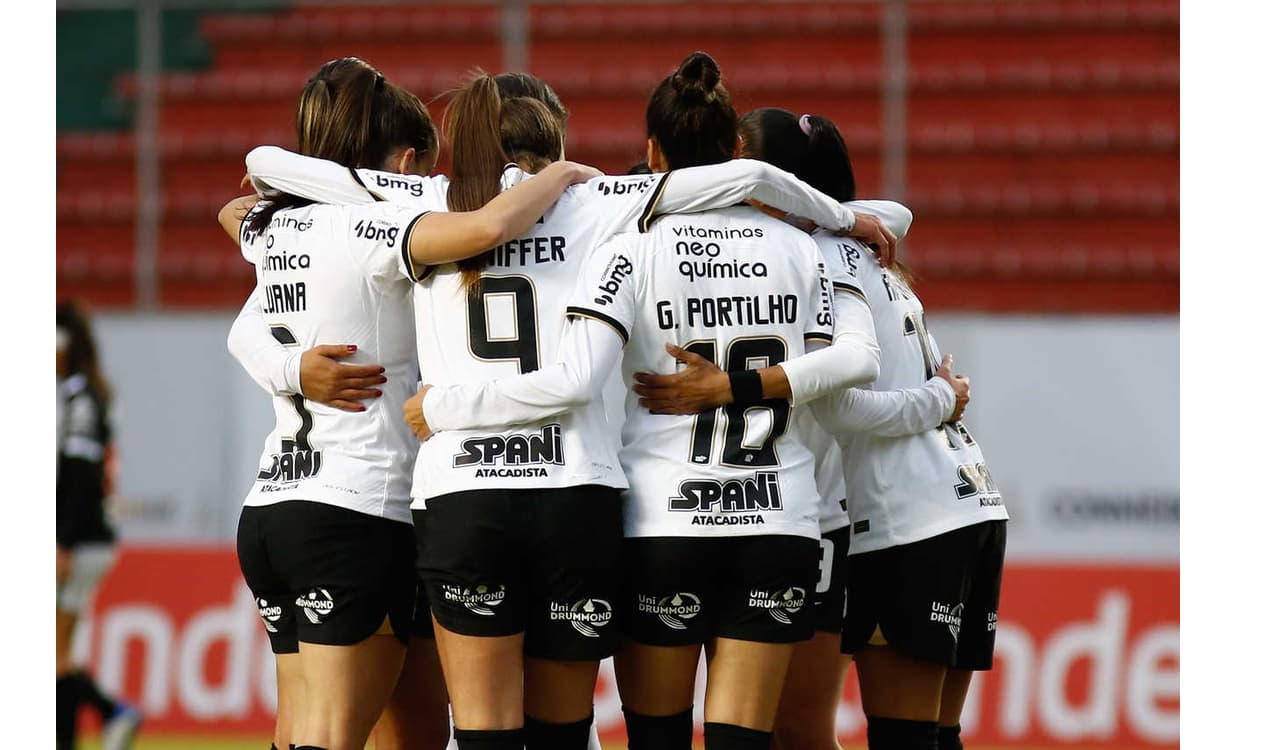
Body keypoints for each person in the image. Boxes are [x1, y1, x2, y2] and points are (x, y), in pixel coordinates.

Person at [230, 64, 894, 750]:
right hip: (575, 493)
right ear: (558, 137)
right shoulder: (600, 199)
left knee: (482, 732)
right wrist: (844, 217)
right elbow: (747, 180)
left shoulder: (427, 203)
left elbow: (270, 167)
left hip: (463, 496)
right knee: (564, 735)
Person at [218, 57, 602, 750]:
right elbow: (487, 228)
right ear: (404, 159)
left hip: (277, 501)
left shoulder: (277, 226)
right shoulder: (378, 230)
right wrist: (565, 174)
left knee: (390, 730)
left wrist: (289, 368)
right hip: (361, 504)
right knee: (331, 736)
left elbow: (239, 262)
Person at [629, 112, 1006, 750]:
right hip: (958, 504)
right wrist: (840, 214)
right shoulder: (853, 242)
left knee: (814, 732)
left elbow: (843, 406)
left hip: (888, 521)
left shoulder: (818, 256)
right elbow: (895, 214)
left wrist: (938, 399)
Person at [56, 300, 141, 750]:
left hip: (79, 538)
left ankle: (105, 717)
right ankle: (112, 713)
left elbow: (80, 471)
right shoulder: (89, 393)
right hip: (87, 536)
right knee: (56, 652)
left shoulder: (79, 398)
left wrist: (62, 541)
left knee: (53, 653)